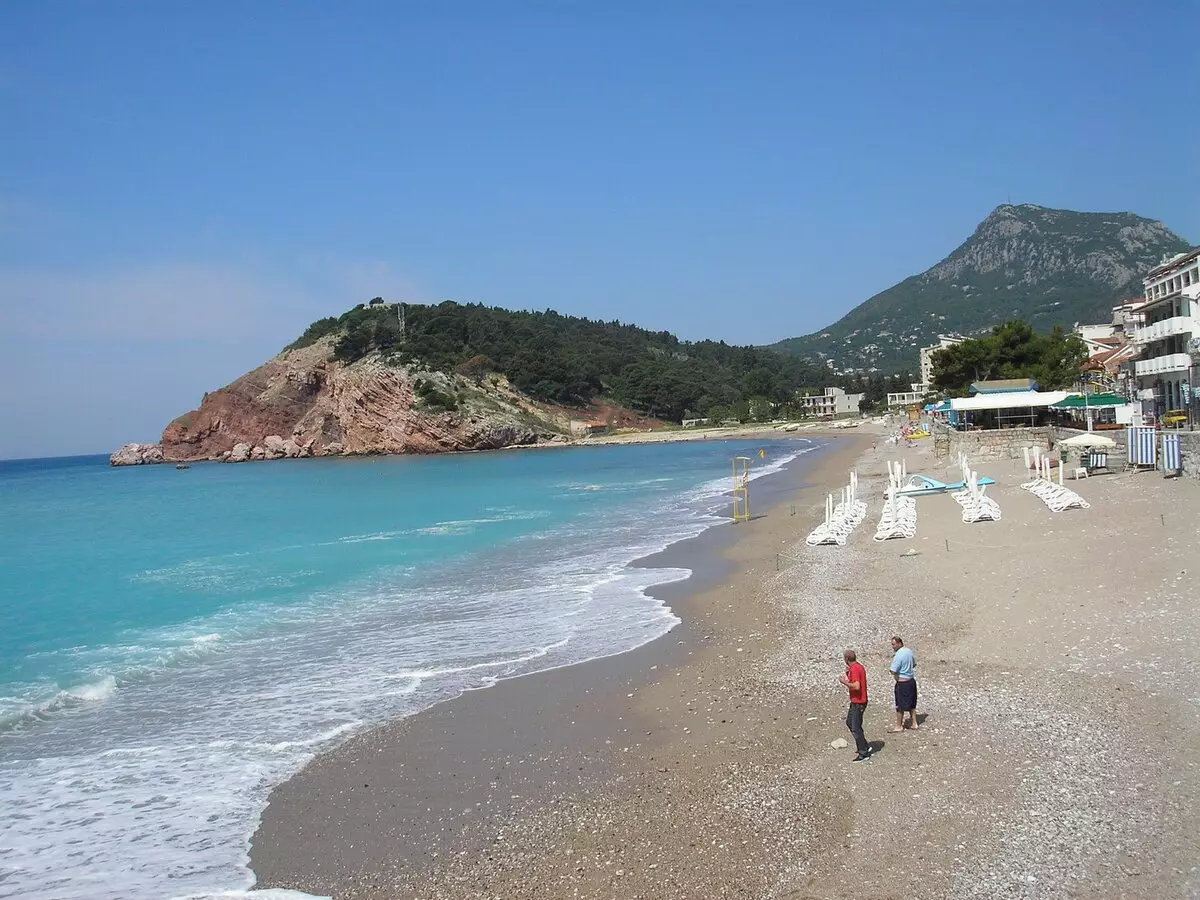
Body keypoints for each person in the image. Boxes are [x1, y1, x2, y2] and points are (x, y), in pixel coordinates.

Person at [838, 649, 870, 761]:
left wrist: (844, 682)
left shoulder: (855, 669)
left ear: (846, 659)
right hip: (856, 701)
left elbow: (856, 686)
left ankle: (863, 753)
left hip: (859, 702)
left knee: (856, 727)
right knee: (850, 722)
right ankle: (864, 745)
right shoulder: (856, 667)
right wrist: (848, 674)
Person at [888, 636, 919, 732]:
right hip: (911, 681)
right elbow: (914, 664)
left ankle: (898, 726)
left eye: (893, 644)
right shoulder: (909, 651)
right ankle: (914, 723)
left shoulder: (898, 655)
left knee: (900, 705)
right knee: (912, 704)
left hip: (902, 683)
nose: (892, 647)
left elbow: (893, 670)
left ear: (899, 643)